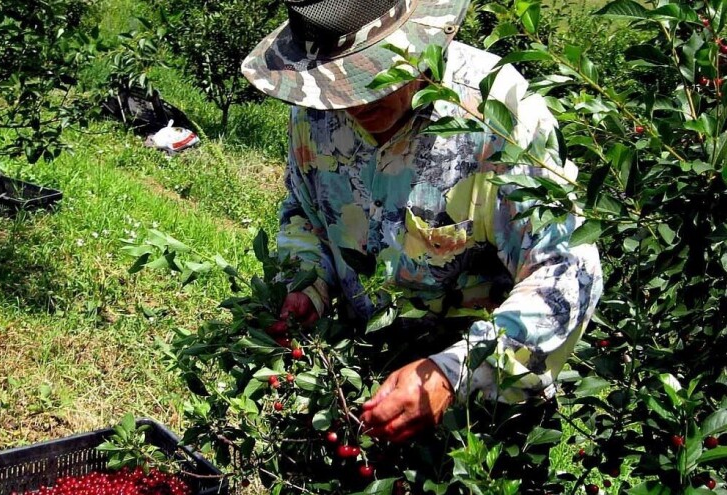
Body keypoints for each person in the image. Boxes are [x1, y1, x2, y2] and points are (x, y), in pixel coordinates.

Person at [242, 0, 603, 486]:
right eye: (339, 87)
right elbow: (303, 211)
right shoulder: (315, 116)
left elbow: (567, 273)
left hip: (481, 419)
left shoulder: (496, 113)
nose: (356, 102)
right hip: (357, 382)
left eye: (375, 78)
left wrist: (454, 373)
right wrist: (309, 283)